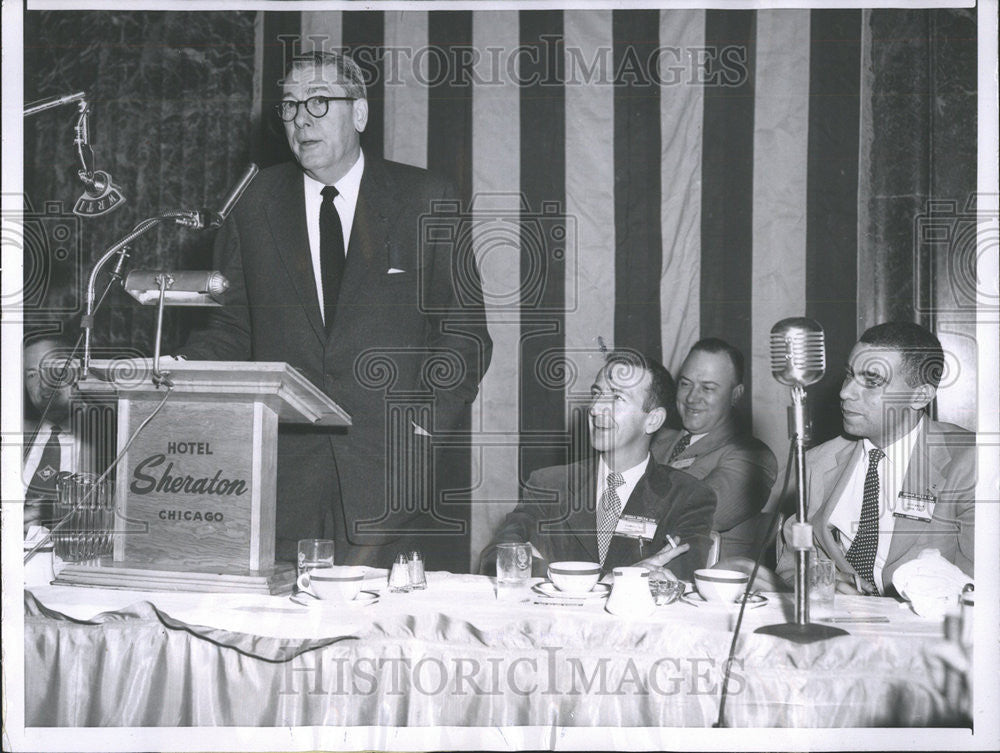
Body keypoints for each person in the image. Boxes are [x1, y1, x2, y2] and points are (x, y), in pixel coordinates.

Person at [179, 52, 492, 568]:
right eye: (289, 106)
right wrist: (181, 371)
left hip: (391, 476)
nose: (301, 118)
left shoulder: (425, 198)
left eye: (319, 102)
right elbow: (233, 327)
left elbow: (464, 334)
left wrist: (423, 426)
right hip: (279, 479)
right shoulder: (251, 204)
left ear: (360, 115)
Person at [775, 322, 974, 595]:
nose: (845, 393)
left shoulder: (971, 462)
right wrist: (819, 582)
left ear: (920, 396)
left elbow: (979, 588)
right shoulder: (817, 463)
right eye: (849, 376)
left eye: (872, 381)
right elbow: (790, 567)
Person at [482, 350, 717, 582]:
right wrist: (614, 579)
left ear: (653, 420)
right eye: (596, 394)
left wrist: (548, 570)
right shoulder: (548, 485)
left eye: (616, 398)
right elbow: (497, 557)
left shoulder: (688, 497)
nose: (595, 409)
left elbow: (678, 578)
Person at [651, 338, 777, 560]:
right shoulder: (654, 439)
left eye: (707, 388)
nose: (692, 397)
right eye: (685, 383)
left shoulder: (751, 457)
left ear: (735, 394)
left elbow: (694, 516)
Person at [22, 335, 78, 532]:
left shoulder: (106, 439)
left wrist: (44, 512)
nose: (43, 384)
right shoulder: (15, 432)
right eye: (31, 374)